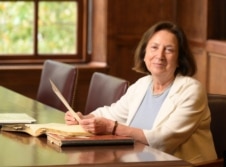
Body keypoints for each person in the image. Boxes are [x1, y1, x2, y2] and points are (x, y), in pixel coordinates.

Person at [65, 21, 217, 164]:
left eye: (169, 50)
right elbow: (112, 113)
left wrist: (113, 128)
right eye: (154, 47)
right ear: (145, 53)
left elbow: (163, 138)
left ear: (179, 59)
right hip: (138, 162)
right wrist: (84, 118)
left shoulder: (191, 90)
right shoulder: (142, 84)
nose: (160, 55)